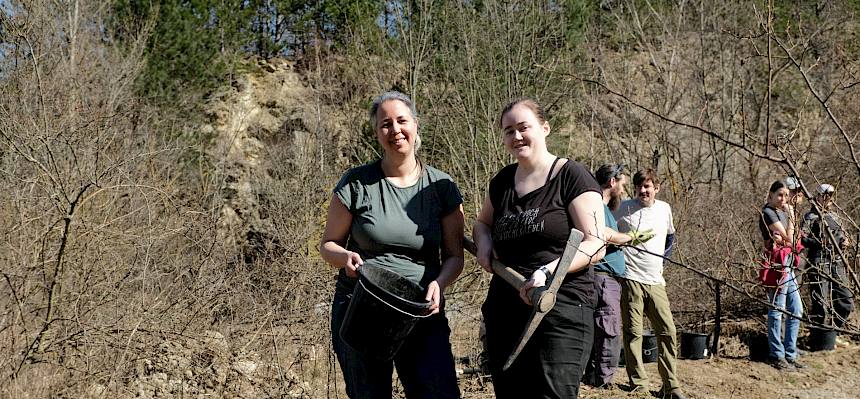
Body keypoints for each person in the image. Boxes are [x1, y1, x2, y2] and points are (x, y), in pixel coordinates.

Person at [320, 91, 464, 398]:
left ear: (415, 125)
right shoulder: (356, 183)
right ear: (377, 133)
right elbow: (328, 244)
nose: (395, 130)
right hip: (362, 308)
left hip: (421, 310)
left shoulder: (442, 186)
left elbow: (454, 256)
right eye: (385, 124)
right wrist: (344, 256)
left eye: (401, 121)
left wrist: (440, 282)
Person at [473, 98, 606, 398]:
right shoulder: (502, 182)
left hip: (561, 307)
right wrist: (484, 245)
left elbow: (595, 243)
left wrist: (548, 270)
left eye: (523, 127)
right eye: (509, 131)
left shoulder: (571, 176)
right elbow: (482, 223)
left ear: (544, 128)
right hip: (505, 309)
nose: (516, 136)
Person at [615, 169, 686, 399]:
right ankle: (639, 384)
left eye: (648, 186)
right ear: (635, 188)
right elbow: (607, 234)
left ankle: (670, 386)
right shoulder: (623, 208)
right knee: (633, 333)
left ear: (657, 188)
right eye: (640, 186)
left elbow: (670, 238)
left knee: (667, 331)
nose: (644, 190)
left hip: (656, 280)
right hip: (630, 279)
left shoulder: (664, 208)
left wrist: (662, 260)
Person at [583, 164, 643, 389]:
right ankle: (602, 381)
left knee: (602, 326)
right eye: (623, 185)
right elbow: (604, 234)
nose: (624, 190)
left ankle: (595, 376)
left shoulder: (605, 208)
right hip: (603, 278)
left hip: (607, 279)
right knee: (608, 328)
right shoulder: (597, 204)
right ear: (612, 182)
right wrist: (630, 237)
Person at [758, 180, 805, 370]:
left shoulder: (782, 212)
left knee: (796, 309)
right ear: (770, 194)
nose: (783, 199)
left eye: (786, 195)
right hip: (777, 263)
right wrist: (792, 216)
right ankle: (776, 355)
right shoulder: (768, 212)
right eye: (779, 195)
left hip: (788, 263)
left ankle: (790, 352)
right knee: (777, 310)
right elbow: (788, 238)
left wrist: (789, 229)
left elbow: (791, 240)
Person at [802, 183, 854, 345]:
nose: (827, 199)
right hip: (818, 261)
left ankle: (835, 333)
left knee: (846, 300)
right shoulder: (810, 217)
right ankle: (819, 341)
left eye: (830, 195)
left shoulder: (836, 216)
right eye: (824, 195)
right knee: (820, 303)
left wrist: (846, 241)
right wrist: (820, 242)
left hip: (837, 262)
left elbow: (844, 235)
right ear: (816, 197)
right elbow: (802, 239)